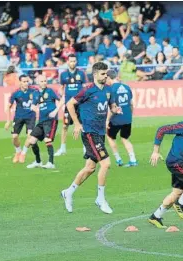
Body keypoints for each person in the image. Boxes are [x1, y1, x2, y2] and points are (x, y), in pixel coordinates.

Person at [61, 62, 122, 214]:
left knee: (90, 168)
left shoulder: (109, 90)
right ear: (95, 75)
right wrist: (76, 124)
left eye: (106, 73)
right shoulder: (87, 90)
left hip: (100, 133)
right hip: (89, 133)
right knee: (106, 164)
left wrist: (115, 109)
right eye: (102, 74)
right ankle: (100, 199)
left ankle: (68, 192)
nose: (105, 76)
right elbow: (69, 104)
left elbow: (111, 106)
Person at [23, 75, 63, 169]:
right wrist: (34, 108)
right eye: (42, 81)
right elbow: (32, 106)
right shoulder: (35, 93)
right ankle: (38, 161)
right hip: (41, 121)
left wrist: (55, 111)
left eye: (45, 81)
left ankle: (51, 163)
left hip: (51, 121)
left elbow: (62, 100)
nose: (44, 82)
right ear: (38, 82)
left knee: (47, 140)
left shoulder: (51, 91)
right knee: (32, 140)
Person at [54, 54, 86, 156]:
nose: (72, 63)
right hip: (68, 105)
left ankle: (85, 148)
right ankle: (62, 148)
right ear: (68, 62)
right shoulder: (63, 74)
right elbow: (61, 87)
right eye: (71, 61)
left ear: (76, 62)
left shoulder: (81, 73)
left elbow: (85, 87)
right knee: (64, 126)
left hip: (80, 104)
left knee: (83, 126)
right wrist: (60, 93)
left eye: (74, 61)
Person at [106, 70, 138, 167]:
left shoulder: (110, 89)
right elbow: (132, 104)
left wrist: (107, 120)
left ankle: (118, 159)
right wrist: (130, 114)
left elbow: (112, 107)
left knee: (110, 137)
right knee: (125, 138)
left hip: (116, 118)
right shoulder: (126, 87)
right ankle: (133, 160)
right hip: (127, 117)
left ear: (108, 78)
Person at [4, 75, 37, 163]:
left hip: (31, 116)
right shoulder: (16, 93)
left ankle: (23, 153)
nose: (26, 83)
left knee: (30, 136)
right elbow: (8, 107)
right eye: (24, 82)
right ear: (20, 82)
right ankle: (18, 152)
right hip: (18, 117)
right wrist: (8, 121)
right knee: (14, 137)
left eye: (27, 81)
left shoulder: (34, 90)